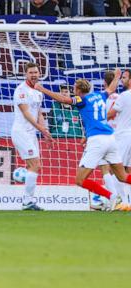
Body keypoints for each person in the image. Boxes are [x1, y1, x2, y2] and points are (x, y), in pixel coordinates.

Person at [35, 69, 131, 210]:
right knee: (123, 176)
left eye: (74, 88)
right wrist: (116, 77)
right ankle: (113, 198)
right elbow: (111, 89)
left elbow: (63, 99)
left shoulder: (82, 100)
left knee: (80, 180)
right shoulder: (99, 95)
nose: (73, 91)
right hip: (111, 138)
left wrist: (41, 88)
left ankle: (111, 197)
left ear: (78, 90)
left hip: (97, 141)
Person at [11, 62, 52, 211]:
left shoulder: (38, 92)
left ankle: (28, 200)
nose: (34, 75)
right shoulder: (21, 90)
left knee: (34, 165)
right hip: (21, 132)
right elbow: (27, 114)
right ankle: (28, 201)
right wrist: (40, 128)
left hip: (32, 133)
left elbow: (39, 113)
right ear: (26, 74)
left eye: (36, 72)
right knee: (35, 164)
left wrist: (45, 131)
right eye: (31, 73)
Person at [107, 69, 131, 210]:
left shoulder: (124, 95)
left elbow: (111, 114)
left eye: (125, 77)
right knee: (128, 170)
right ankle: (125, 200)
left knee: (115, 168)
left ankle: (120, 201)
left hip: (123, 135)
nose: (122, 80)